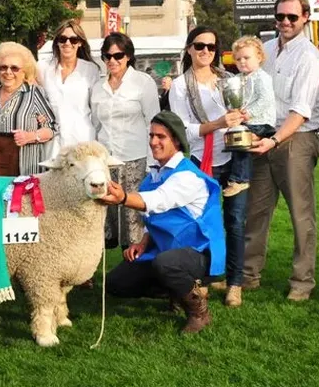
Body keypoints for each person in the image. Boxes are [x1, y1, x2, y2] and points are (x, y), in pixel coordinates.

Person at [101, 111, 225, 335]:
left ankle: (199, 312)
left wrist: (123, 198)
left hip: (199, 252)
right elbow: (152, 218)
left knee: (166, 264)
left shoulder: (187, 176)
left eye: (161, 137)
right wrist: (143, 242)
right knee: (115, 284)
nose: (153, 142)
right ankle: (176, 290)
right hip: (165, 251)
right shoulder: (154, 175)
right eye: (151, 136)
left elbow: (157, 202)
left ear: (176, 140)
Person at [244, 0, 319, 301]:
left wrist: (274, 140)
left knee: (301, 215)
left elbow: (301, 111)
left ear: (305, 17)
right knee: (255, 210)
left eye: (292, 17)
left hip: (296, 139)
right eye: (280, 17)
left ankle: (302, 282)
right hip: (264, 137)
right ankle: (248, 274)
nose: (286, 22)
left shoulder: (310, 57)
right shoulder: (263, 51)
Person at [168, 26, 249, 308]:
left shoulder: (229, 80)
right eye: (199, 46)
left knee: (236, 222)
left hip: (234, 157)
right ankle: (197, 282)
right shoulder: (180, 86)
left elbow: (242, 116)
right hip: (200, 161)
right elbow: (182, 130)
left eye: (211, 47)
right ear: (189, 48)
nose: (205, 52)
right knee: (199, 225)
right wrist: (217, 124)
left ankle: (234, 283)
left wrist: (242, 117)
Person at [90, 32, 160, 248]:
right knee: (105, 219)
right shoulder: (97, 87)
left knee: (133, 221)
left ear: (128, 56)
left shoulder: (142, 82)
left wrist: (152, 163)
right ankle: (98, 274)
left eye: (118, 55)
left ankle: (134, 270)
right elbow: (95, 125)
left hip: (135, 160)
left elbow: (153, 123)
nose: (112, 61)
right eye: (107, 56)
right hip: (106, 162)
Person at [0, 42, 57, 176]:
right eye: (3, 67)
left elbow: (52, 128)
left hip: (26, 172)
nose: (8, 72)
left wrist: (31, 136)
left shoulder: (34, 93)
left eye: (14, 68)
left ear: (24, 72)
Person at [222, 37, 276, 198]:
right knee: (233, 141)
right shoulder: (237, 79)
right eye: (238, 59)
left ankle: (240, 179)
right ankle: (235, 175)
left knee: (241, 143)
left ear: (259, 57)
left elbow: (265, 100)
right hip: (247, 121)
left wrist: (248, 113)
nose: (242, 62)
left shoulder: (262, 77)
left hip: (262, 122)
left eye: (246, 58)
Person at [38, 20, 99, 153]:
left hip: (82, 140)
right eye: (63, 39)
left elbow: (96, 111)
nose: (67, 43)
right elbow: (34, 99)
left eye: (73, 40)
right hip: (51, 143)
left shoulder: (91, 70)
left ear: (80, 43)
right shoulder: (43, 67)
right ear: (57, 42)